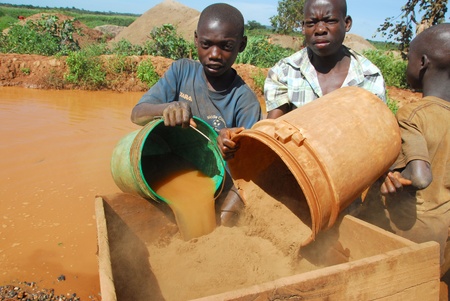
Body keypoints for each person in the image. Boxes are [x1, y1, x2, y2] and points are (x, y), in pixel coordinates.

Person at [131, 3, 262, 227]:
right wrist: (166, 108)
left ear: (242, 45)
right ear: (195, 40)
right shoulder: (181, 72)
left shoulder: (245, 101)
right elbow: (137, 114)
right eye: (206, 44)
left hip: (222, 184)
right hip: (174, 167)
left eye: (226, 46)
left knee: (222, 226)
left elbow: (252, 170)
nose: (214, 54)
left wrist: (231, 145)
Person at [356, 23, 450, 275]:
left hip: (408, 235)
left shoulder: (414, 114)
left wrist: (396, 177)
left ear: (422, 62)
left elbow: (420, 176)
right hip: (441, 235)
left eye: (408, 57)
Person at [263, 0, 386, 119]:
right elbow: (271, 134)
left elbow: (377, 132)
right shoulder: (284, 72)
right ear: (303, 27)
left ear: (347, 23)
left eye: (330, 21)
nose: (320, 30)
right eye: (311, 23)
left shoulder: (369, 77)